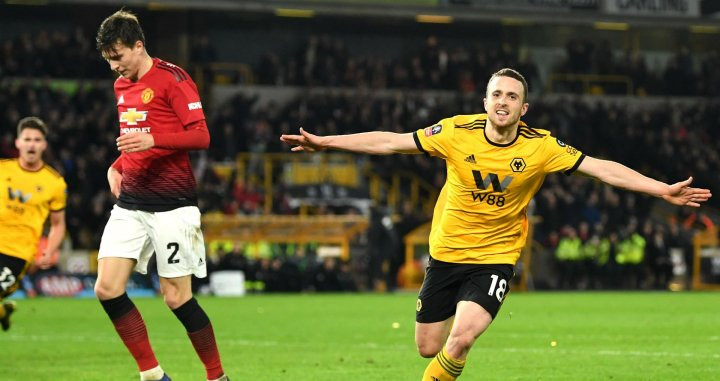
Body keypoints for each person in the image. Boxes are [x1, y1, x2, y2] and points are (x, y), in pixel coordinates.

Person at [280, 67, 712, 381]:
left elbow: (602, 169)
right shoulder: (454, 132)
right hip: (446, 252)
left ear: (524, 108)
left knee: (462, 338)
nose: (502, 102)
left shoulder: (541, 146)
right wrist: (325, 142)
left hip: (496, 257)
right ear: (484, 101)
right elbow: (390, 142)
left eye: (511, 96)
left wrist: (661, 190)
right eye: (496, 94)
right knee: (428, 347)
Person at [94, 10, 228, 381]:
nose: (114, 66)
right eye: (108, 59)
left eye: (118, 56)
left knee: (176, 298)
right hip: (131, 203)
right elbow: (136, 138)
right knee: (107, 288)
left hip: (172, 206)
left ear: (139, 45)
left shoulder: (174, 79)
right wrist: (117, 165)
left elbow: (201, 136)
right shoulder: (121, 86)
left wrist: (153, 140)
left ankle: (217, 376)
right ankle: (152, 374)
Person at [0, 117, 67, 331]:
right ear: (17, 142)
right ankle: (3, 312)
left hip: (17, 254)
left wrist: (49, 250)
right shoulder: (2, 170)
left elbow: (58, 224)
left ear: (44, 145)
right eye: (27, 139)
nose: (31, 144)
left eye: (37, 140)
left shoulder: (54, 182)